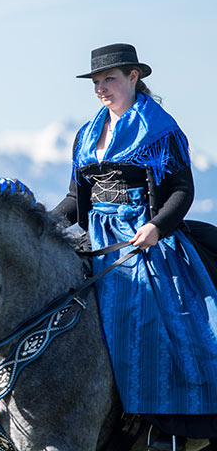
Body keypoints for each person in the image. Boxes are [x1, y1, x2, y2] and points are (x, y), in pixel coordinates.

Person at [54, 43, 217, 449]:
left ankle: (162, 423)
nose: (101, 88)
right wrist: (45, 225)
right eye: (95, 82)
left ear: (133, 77)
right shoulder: (87, 134)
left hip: (143, 239)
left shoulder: (160, 129)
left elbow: (182, 191)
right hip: (96, 237)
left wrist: (157, 227)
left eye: (109, 79)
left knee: (146, 316)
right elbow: (78, 199)